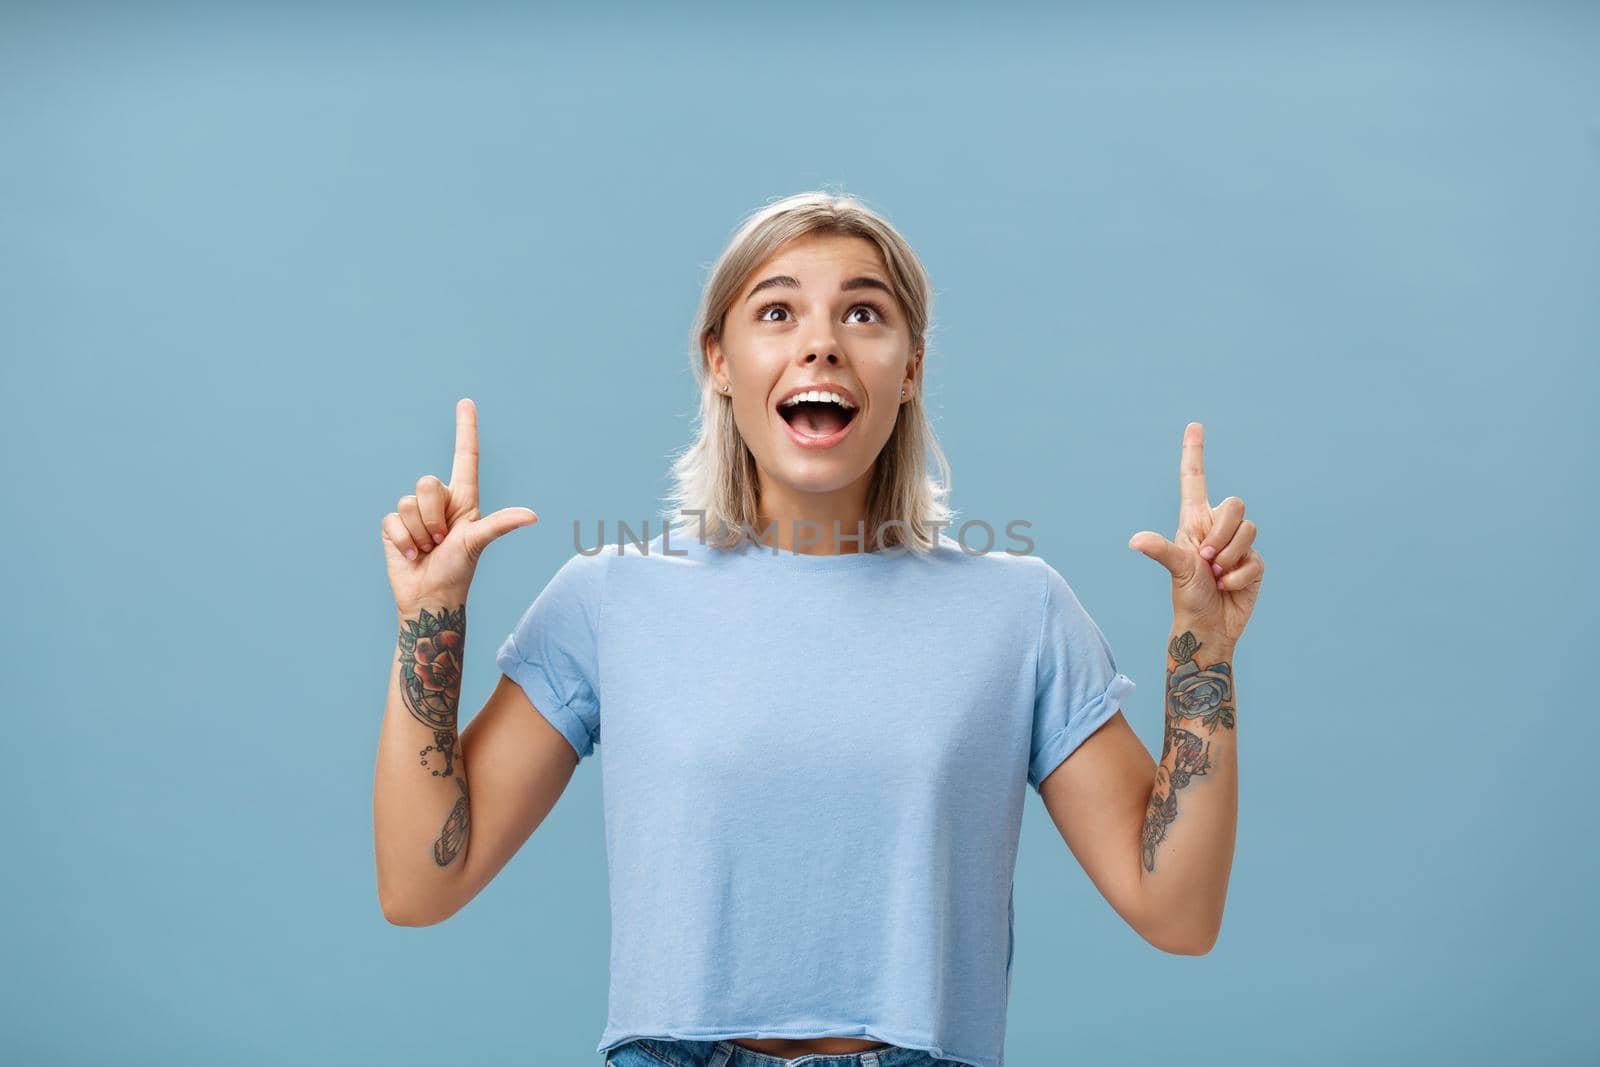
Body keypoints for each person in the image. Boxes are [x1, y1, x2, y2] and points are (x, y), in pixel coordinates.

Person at [372, 192, 1265, 1067]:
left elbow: (1176, 912)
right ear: (719, 360)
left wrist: (1207, 654)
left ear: (909, 367)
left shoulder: (1020, 611)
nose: (821, 341)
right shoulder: (607, 598)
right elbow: (422, 884)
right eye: (777, 309)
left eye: (863, 312)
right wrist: (429, 616)